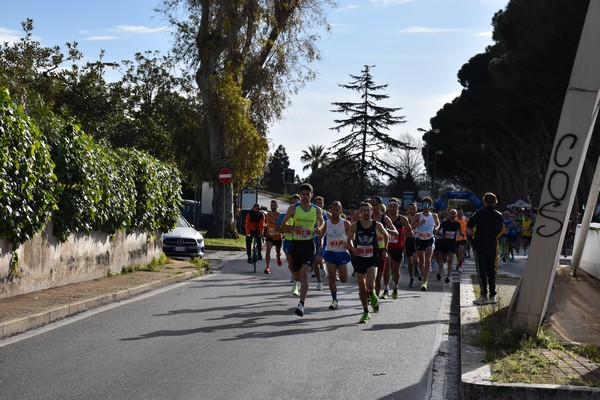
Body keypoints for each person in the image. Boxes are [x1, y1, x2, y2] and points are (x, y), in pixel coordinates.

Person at [279, 183, 324, 317]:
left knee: (305, 274)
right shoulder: (293, 208)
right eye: (303, 194)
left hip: (309, 246)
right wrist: (291, 228)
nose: (305, 196)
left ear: (312, 195)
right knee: (297, 275)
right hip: (296, 245)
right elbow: (283, 224)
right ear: (300, 195)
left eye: (307, 194)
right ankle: (296, 283)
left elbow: (322, 222)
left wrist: (319, 229)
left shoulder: (316, 210)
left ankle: (301, 304)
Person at [347, 202, 389, 323]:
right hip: (359, 258)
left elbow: (386, 236)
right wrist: (353, 248)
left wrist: (385, 250)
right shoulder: (355, 225)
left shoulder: (377, 225)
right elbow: (348, 240)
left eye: (368, 210)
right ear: (361, 212)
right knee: (362, 288)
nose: (365, 212)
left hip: (372, 258)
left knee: (370, 284)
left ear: (371, 212)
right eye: (363, 210)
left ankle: (373, 294)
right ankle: (366, 312)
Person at [467, 192, 505, 305]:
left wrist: (472, 236)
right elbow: (500, 230)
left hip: (479, 244)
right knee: (491, 270)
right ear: (495, 202)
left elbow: (469, 227)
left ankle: (483, 295)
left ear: (484, 201)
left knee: (481, 271)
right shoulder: (499, 215)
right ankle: (492, 296)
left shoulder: (479, 213)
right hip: (492, 244)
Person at [319, 201, 351, 310]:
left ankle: (339, 271)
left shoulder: (345, 223)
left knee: (343, 279)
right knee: (331, 277)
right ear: (330, 210)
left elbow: (352, 235)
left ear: (341, 211)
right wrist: (321, 243)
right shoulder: (327, 223)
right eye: (333, 210)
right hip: (331, 252)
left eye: (337, 210)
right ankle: (334, 300)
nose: (335, 212)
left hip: (342, 253)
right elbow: (322, 235)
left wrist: (349, 242)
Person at [368, 196, 398, 299]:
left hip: (381, 250)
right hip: (368, 250)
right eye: (372, 204)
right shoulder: (367, 216)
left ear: (381, 206)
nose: (374, 207)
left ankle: (374, 297)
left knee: (378, 277)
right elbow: (354, 218)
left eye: (376, 205)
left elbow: (396, 233)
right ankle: (370, 295)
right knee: (369, 276)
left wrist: (385, 231)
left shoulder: (385, 218)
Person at [386, 198, 413, 300]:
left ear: (398, 207)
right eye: (391, 206)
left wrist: (402, 233)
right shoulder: (385, 218)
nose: (392, 208)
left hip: (398, 248)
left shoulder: (402, 219)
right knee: (387, 267)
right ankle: (385, 288)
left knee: (396, 271)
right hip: (387, 247)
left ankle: (395, 287)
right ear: (388, 207)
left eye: (394, 206)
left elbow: (411, 233)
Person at [411, 197, 440, 291]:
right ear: (422, 205)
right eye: (424, 205)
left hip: (430, 239)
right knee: (421, 261)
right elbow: (411, 226)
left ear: (430, 206)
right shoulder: (417, 215)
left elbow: (438, 223)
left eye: (428, 205)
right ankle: (424, 276)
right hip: (419, 239)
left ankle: (424, 281)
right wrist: (419, 224)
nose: (426, 207)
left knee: (428, 260)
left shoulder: (434, 215)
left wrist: (436, 228)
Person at [277, 194, 301, 288]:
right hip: (288, 241)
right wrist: (287, 228)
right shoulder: (283, 215)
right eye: (292, 203)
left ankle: (297, 278)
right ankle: (295, 276)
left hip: (299, 242)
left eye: (296, 203)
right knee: (290, 262)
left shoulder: (302, 215)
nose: (294, 205)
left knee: (299, 262)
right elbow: (277, 229)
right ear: (289, 204)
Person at [437, 209, 462, 283]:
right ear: (448, 214)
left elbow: (460, 232)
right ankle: (439, 272)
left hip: (452, 243)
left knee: (451, 259)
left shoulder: (457, 223)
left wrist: (462, 234)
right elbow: (438, 232)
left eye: (454, 214)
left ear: (456, 215)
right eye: (451, 213)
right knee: (443, 259)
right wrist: (442, 235)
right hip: (444, 243)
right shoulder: (444, 223)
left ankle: (448, 275)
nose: (452, 215)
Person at [263, 200, 283, 274]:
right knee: (268, 250)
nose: (273, 206)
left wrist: (276, 223)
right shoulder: (268, 214)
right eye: (272, 205)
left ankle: (278, 257)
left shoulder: (279, 215)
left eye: (274, 205)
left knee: (278, 252)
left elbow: (280, 224)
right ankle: (267, 267)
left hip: (278, 237)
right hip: (270, 236)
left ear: (277, 206)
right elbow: (266, 223)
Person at [404, 203, 419, 287]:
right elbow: (405, 230)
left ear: (416, 209)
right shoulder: (405, 219)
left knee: (415, 260)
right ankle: (412, 278)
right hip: (408, 241)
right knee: (410, 262)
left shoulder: (419, 218)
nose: (412, 210)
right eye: (411, 208)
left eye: (414, 209)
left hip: (417, 240)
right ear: (408, 209)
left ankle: (416, 267)